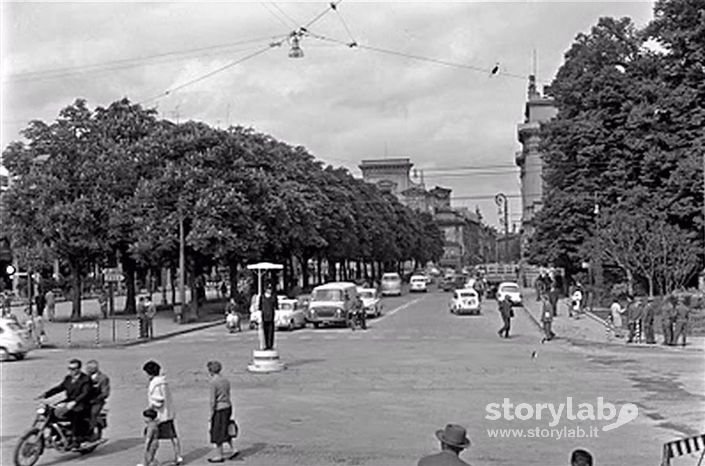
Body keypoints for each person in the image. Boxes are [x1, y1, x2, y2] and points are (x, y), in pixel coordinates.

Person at [39, 358, 93, 448]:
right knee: (50, 411)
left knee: (76, 414)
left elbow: (85, 393)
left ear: (79, 369)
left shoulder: (86, 379)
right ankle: (56, 434)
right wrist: (46, 394)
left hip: (82, 403)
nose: (71, 371)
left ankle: (77, 439)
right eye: (69, 368)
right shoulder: (68, 378)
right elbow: (60, 388)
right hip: (69, 400)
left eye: (73, 369)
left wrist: (74, 402)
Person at [143, 360, 183, 465]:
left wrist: (151, 406)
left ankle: (150, 460)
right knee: (173, 436)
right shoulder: (164, 382)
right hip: (168, 413)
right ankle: (178, 456)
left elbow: (159, 400)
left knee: (152, 438)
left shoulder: (155, 384)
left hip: (159, 415)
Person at [206, 361, 238, 462]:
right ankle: (233, 448)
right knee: (226, 428)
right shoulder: (225, 380)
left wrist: (211, 413)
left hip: (219, 408)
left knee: (217, 431)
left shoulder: (213, 382)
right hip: (228, 406)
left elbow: (212, 400)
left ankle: (219, 455)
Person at [85, 360, 110, 440]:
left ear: (95, 368)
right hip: (84, 400)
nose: (87, 370)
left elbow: (105, 393)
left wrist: (96, 399)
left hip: (97, 402)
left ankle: (90, 432)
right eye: (87, 368)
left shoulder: (103, 378)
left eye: (89, 368)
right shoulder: (85, 377)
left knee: (92, 413)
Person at [259, 286, 278, 351]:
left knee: (271, 332)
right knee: (265, 332)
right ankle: (266, 345)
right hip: (264, 317)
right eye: (268, 289)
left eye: (270, 289)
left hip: (271, 317)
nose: (270, 290)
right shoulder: (262, 297)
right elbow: (260, 307)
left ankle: (270, 345)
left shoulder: (273, 297)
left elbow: (276, 307)